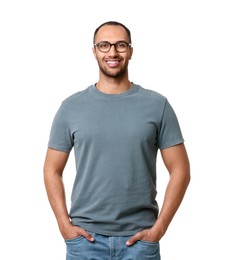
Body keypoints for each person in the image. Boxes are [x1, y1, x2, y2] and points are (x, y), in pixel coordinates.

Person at [43, 21, 190, 260]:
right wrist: (64, 224)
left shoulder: (157, 105)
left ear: (131, 50)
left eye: (120, 45)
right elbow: (51, 169)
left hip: (140, 242)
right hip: (85, 242)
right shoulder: (71, 107)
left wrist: (160, 227)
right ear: (94, 51)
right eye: (104, 45)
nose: (112, 52)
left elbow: (181, 169)